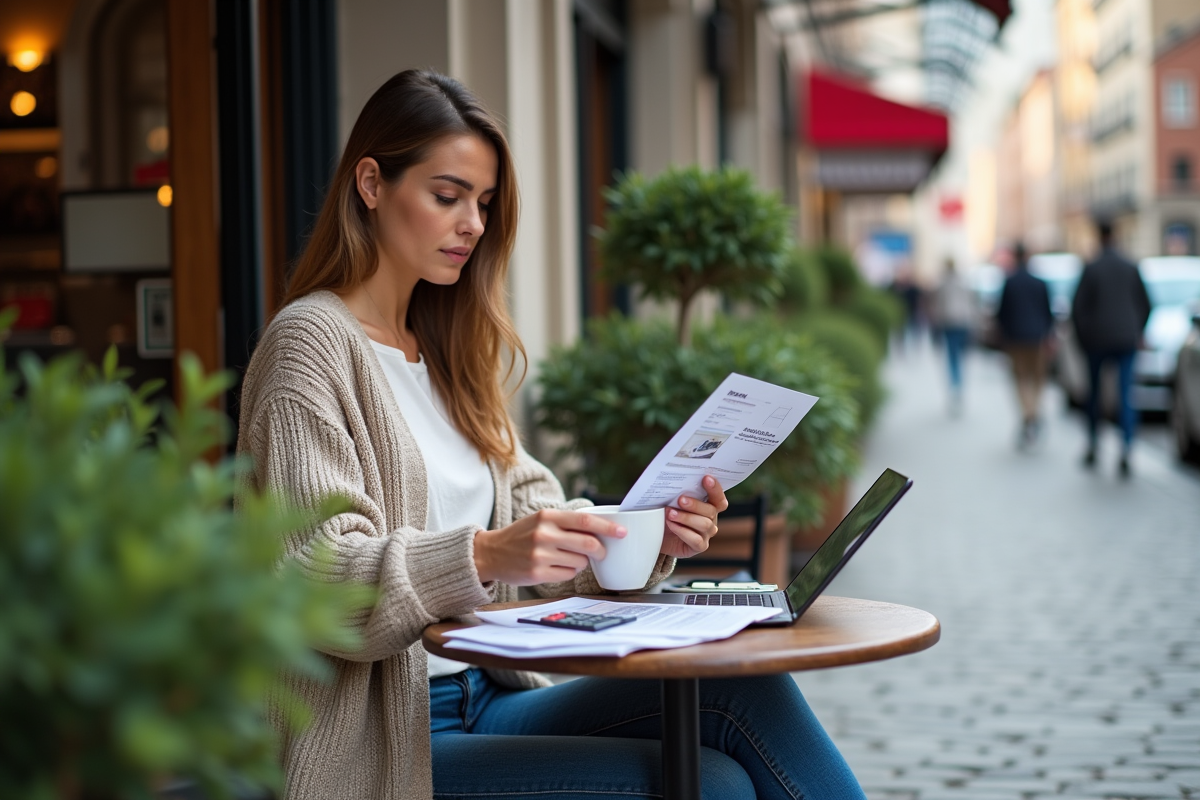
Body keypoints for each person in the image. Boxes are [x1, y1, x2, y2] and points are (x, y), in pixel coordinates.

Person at [237, 70, 866, 800]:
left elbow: (543, 540)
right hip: (390, 737)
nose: (472, 223)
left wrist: (643, 535)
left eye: (484, 202)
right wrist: (482, 553)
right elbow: (313, 577)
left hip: (495, 697)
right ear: (371, 184)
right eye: (447, 196)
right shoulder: (308, 346)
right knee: (713, 786)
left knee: (746, 695)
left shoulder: (448, 354)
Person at [1070, 221, 1151, 477]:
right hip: (1126, 339)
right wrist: (1138, 331)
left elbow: (1078, 309)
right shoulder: (1130, 266)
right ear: (1114, 235)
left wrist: (1083, 339)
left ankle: (1094, 445)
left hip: (1097, 340)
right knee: (1125, 394)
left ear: (1098, 236)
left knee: (1094, 394)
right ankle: (1126, 448)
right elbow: (1146, 304)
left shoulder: (1091, 268)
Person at [995, 242, 1055, 447]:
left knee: (1021, 379)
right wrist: (1048, 335)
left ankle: (1028, 414)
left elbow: (1001, 313)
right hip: (1037, 338)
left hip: (1015, 339)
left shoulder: (1009, 282)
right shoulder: (1039, 282)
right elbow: (1048, 313)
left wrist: (1003, 336)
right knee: (1038, 379)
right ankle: (1033, 412)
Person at [932, 258, 978, 414]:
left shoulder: (944, 283)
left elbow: (939, 306)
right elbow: (972, 304)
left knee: (953, 357)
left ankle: (955, 386)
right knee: (959, 356)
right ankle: (958, 386)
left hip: (950, 323)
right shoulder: (963, 282)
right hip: (962, 323)